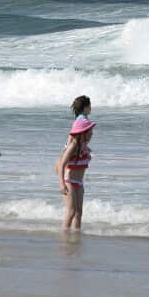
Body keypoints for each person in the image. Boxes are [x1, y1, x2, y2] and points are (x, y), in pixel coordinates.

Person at [56, 96, 94, 232]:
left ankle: (76, 237)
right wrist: (61, 184)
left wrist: (86, 149)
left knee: (79, 213)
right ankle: (64, 236)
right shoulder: (74, 145)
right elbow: (61, 164)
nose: (92, 133)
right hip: (69, 181)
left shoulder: (82, 145)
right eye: (90, 131)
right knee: (71, 212)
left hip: (79, 181)